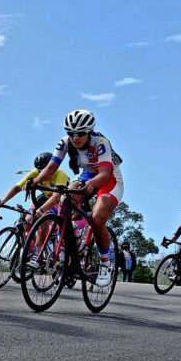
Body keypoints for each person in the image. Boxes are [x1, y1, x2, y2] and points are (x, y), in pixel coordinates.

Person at [28, 109, 124, 287]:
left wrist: (91, 186)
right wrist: (34, 181)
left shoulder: (101, 142)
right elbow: (50, 169)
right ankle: (75, 238)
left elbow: (104, 174)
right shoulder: (65, 143)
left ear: (89, 132)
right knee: (65, 199)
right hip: (88, 175)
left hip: (109, 179)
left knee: (96, 219)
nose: (75, 137)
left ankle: (105, 262)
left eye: (80, 133)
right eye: (71, 133)